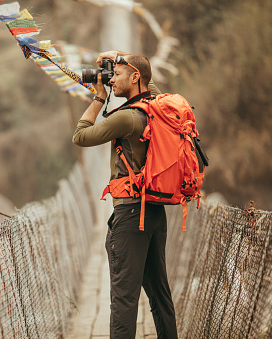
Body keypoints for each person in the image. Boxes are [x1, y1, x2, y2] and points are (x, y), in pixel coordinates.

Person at [72, 51, 178, 339]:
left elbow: (80, 136)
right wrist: (120, 57)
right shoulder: (155, 106)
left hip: (131, 216)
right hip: (155, 212)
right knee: (160, 296)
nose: (111, 79)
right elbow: (147, 80)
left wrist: (98, 97)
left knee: (123, 301)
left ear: (134, 78)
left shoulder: (127, 118)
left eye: (116, 74)